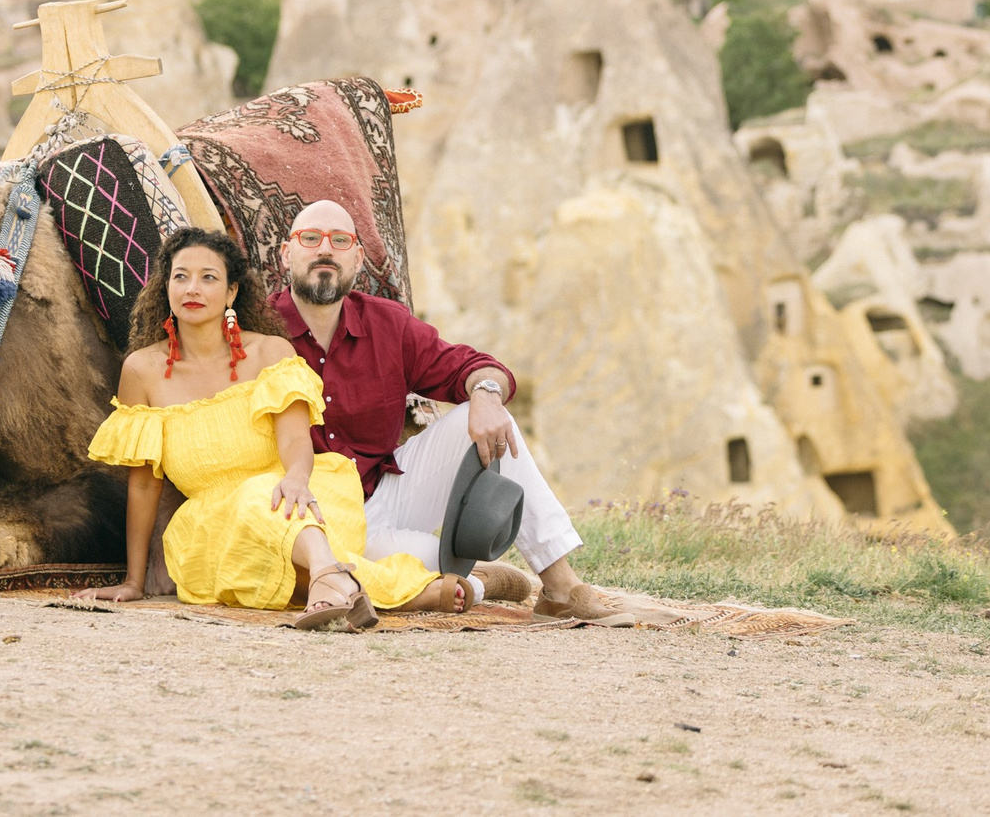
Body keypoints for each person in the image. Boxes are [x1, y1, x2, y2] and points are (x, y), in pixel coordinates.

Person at [75, 227, 469, 629]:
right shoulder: (141, 370)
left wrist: (297, 478)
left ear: (231, 293)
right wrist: (134, 580)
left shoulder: (270, 352)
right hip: (209, 525)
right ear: (166, 287)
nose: (193, 287)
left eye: (209, 277)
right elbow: (143, 484)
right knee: (257, 545)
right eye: (181, 276)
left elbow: (296, 437)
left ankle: (328, 573)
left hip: (300, 495)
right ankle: (375, 587)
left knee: (260, 495)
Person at [270, 199, 622, 620]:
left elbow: (470, 366)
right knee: (424, 566)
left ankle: (562, 588)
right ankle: (483, 581)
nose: (325, 249)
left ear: (358, 258)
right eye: (311, 238)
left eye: (340, 240)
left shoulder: (387, 324)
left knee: (494, 418)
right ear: (287, 253)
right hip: (310, 511)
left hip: (385, 493)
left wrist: (488, 396)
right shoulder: (260, 331)